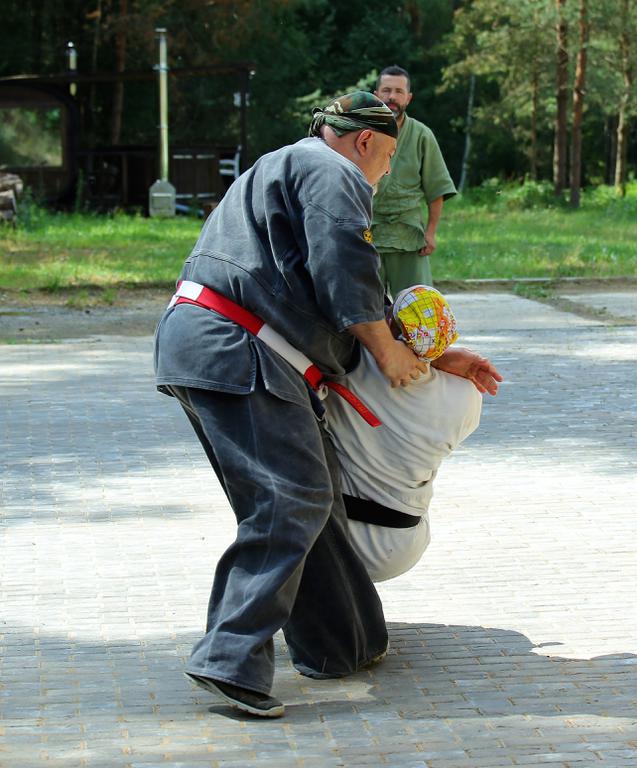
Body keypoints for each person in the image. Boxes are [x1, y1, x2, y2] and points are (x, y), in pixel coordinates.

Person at [153, 91, 428, 719]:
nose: (383, 177)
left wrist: (433, 356)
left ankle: (343, 642)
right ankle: (228, 660)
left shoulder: (289, 166)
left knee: (313, 491)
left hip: (217, 342)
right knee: (291, 497)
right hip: (239, 348)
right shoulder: (332, 170)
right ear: (365, 141)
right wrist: (388, 354)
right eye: (387, 160)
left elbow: (321, 281)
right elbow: (345, 268)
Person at [324, 286, 502, 582]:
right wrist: (440, 359)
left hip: (355, 538)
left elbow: (370, 338)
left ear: (390, 326)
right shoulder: (469, 397)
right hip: (410, 538)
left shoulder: (353, 366)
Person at [372, 65, 457, 297]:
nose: (392, 97)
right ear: (376, 94)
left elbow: (436, 188)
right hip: (368, 233)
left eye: (399, 92)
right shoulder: (362, 133)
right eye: (386, 90)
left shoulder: (422, 135)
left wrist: (430, 232)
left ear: (408, 98)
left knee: (418, 308)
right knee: (364, 311)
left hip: (408, 235)